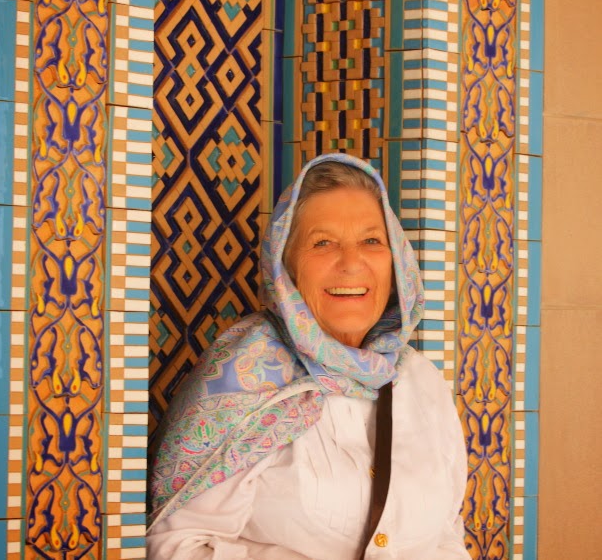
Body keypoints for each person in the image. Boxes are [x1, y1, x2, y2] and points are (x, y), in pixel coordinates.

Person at [147, 153, 471, 560]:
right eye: (323, 243)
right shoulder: (242, 376)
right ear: (287, 269)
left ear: (397, 262)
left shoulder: (420, 381)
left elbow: (446, 537)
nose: (351, 263)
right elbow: (177, 545)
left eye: (371, 240)